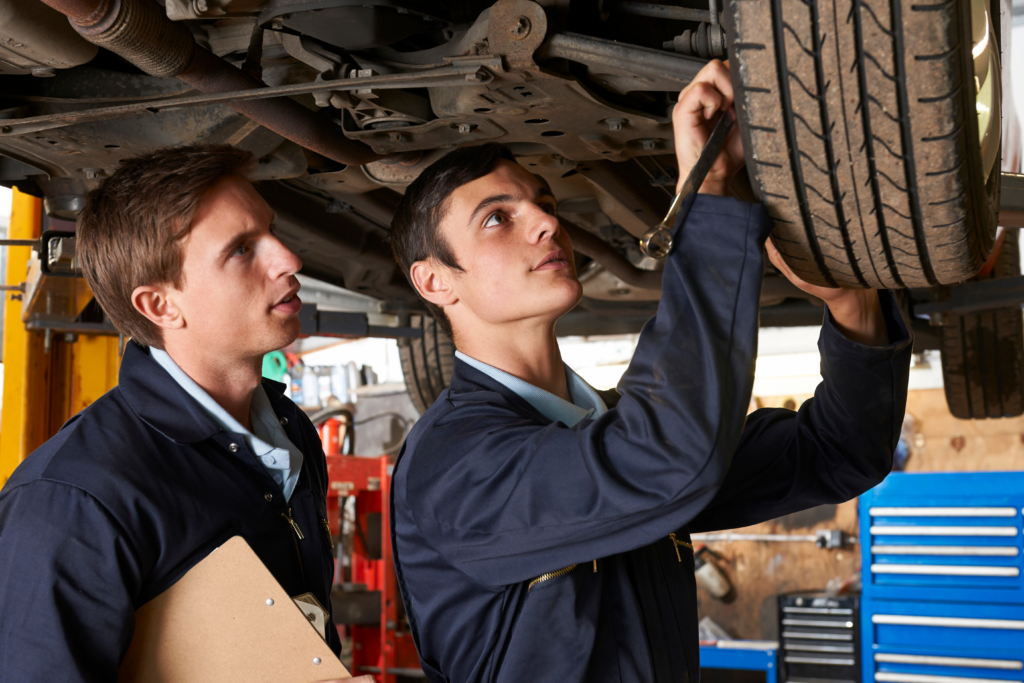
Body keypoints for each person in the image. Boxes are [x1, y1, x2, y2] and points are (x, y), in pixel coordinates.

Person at [387, 60, 911, 681]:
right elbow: (661, 458)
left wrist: (850, 304)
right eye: (497, 218)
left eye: (544, 203)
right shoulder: (453, 465)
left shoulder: (606, 435)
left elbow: (835, 451)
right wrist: (707, 197)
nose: (548, 222)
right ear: (434, 281)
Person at [0, 145, 370, 682]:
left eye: (270, 230)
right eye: (242, 250)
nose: (289, 259)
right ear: (160, 305)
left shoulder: (290, 431)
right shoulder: (72, 500)